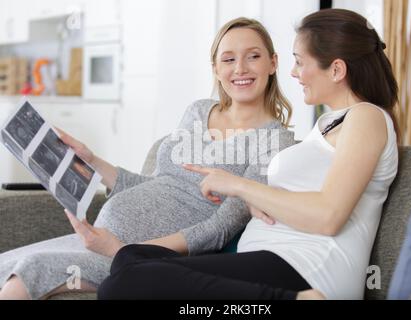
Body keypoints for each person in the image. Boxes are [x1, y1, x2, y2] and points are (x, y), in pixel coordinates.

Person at [97, 8, 400, 300]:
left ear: (335, 69)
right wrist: (262, 201)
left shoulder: (366, 117)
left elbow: (329, 216)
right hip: (269, 258)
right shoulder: (327, 124)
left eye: (299, 62)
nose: (293, 73)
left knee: (121, 285)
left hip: (307, 267)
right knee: (130, 257)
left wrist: (240, 186)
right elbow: (307, 197)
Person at [0, 17, 295, 300]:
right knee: (5, 265)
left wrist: (124, 250)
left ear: (273, 63)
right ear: (216, 69)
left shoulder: (275, 140)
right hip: (103, 242)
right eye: (229, 59)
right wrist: (91, 160)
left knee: (28, 274)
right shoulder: (198, 110)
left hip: (142, 260)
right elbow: (156, 184)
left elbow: (218, 230)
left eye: (253, 56)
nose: (240, 68)